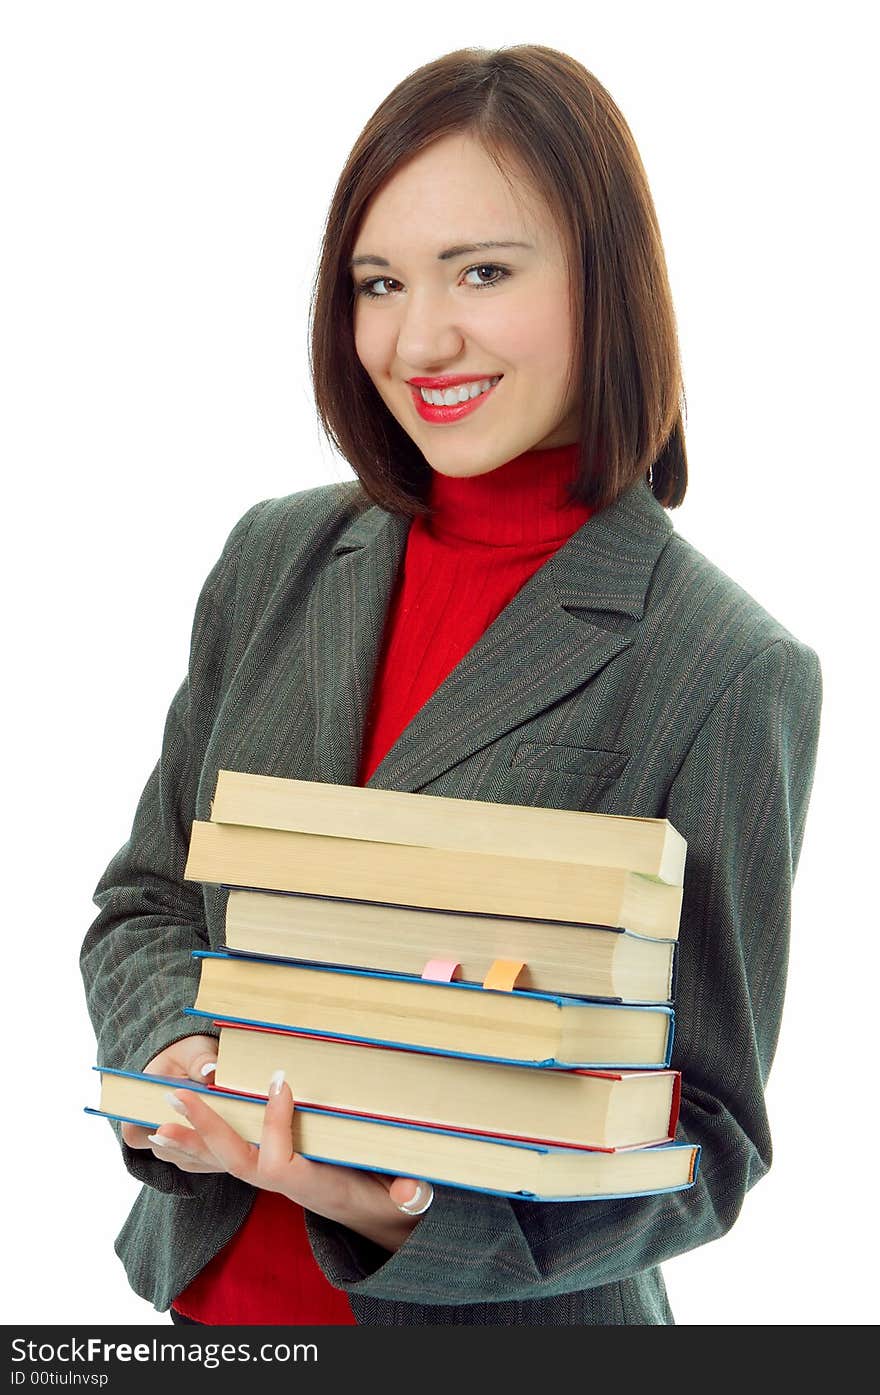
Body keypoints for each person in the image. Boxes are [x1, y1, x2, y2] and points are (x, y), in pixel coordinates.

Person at [79, 43, 823, 1327]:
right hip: (212, 1313)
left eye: (482, 271)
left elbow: (707, 1139)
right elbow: (144, 902)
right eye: (379, 283)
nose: (419, 337)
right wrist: (185, 1055)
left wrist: (404, 1202)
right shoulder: (275, 558)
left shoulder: (723, 663)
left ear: (608, 284)